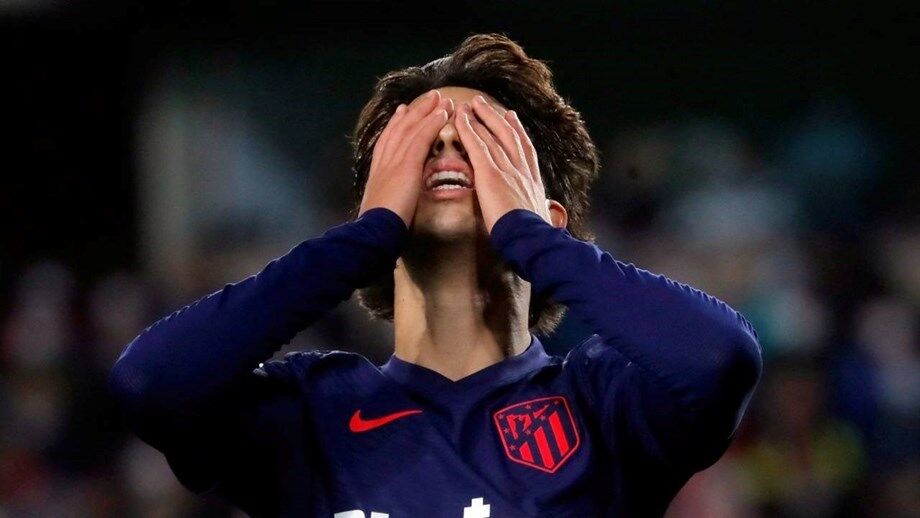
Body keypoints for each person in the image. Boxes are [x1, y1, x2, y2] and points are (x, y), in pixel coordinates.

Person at [109, 34, 763, 517]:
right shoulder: (310, 414)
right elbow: (151, 382)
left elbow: (717, 357)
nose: (448, 149)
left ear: (545, 215)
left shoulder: (603, 404)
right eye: (418, 146)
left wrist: (533, 240)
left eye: (483, 141)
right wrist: (359, 241)